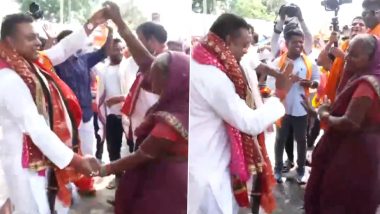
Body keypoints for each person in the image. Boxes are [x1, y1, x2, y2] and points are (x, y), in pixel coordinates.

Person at [0, 11, 106, 213]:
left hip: (43, 157)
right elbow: (36, 128)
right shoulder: (9, 77)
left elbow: (63, 49)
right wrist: (77, 161)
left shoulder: (29, 64)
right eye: (30, 38)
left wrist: (91, 24)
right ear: (10, 41)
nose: (38, 42)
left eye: (38, 37)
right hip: (24, 166)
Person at [189, 13, 294, 214]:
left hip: (204, 165)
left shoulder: (201, 60)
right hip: (208, 175)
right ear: (228, 41)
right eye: (244, 45)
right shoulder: (213, 76)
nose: (247, 51)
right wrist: (280, 94)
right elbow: (249, 123)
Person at [305, 34, 380, 214]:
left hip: (354, 151)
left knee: (340, 197)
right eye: (348, 52)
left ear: (370, 58)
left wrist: (323, 115)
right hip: (360, 148)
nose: (347, 58)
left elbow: (350, 122)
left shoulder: (367, 85)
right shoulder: (362, 76)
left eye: (354, 55)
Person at [267, 24, 320, 184]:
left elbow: (317, 81)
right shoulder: (278, 62)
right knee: (280, 140)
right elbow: (270, 85)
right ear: (287, 43)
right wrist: (285, 82)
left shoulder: (309, 63)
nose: (298, 45)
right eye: (295, 42)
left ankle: (301, 170)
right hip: (281, 109)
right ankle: (277, 170)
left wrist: (309, 83)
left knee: (302, 141)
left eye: (300, 42)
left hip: (301, 109)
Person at [97, 38, 128, 189]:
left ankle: (130, 182)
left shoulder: (128, 67)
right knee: (113, 149)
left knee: (130, 148)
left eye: (122, 49)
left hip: (128, 116)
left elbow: (134, 91)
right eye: (116, 49)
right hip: (111, 115)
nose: (120, 52)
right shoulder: (104, 69)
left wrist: (120, 99)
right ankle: (118, 179)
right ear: (109, 51)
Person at [322, 17, 367, 103]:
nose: (357, 26)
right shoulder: (344, 45)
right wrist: (330, 42)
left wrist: (343, 56)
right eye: (354, 24)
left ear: (367, 30)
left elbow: (366, 69)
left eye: (361, 24)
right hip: (336, 97)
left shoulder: (369, 47)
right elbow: (321, 61)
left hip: (355, 98)